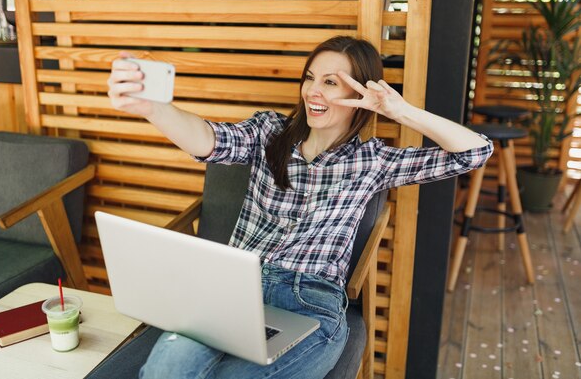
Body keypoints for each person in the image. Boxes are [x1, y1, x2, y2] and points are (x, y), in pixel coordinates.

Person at [107, 36, 493, 379]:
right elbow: (207, 139)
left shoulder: (374, 161)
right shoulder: (268, 132)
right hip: (229, 291)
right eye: (310, 77)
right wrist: (154, 110)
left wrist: (398, 111)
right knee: (164, 370)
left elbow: (475, 153)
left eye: (330, 83)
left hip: (309, 301)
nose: (313, 91)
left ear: (360, 96)